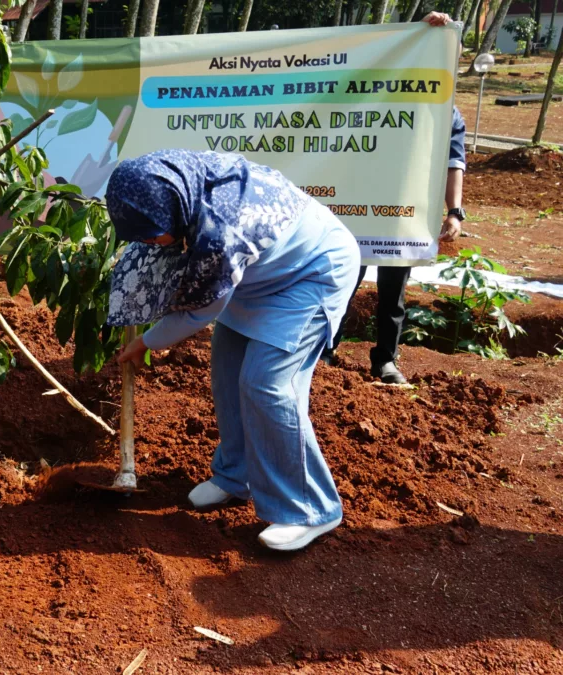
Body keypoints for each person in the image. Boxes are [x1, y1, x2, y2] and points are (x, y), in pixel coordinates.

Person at [109, 149, 360, 551]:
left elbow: (198, 312)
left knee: (267, 384)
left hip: (310, 275)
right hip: (258, 275)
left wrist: (146, 341)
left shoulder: (220, 232)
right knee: (227, 374)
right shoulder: (181, 188)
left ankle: (310, 507)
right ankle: (236, 475)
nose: (149, 242)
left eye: (152, 233)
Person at [322, 11, 466, 384]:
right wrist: (417, 31)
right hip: (355, 209)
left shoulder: (446, 113)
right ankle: (324, 349)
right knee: (342, 280)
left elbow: (454, 162)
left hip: (402, 214)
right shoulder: (374, 94)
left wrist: (455, 212)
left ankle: (384, 361)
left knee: (393, 292)